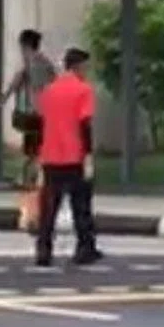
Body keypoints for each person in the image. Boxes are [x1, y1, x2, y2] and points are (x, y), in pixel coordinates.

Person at [34, 47, 103, 267]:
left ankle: (44, 249)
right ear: (79, 66)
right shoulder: (83, 90)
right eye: (86, 67)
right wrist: (88, 154)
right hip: (74, 155)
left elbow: (42, 124)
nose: (87, 71)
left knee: (49, 207)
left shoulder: (49, 91)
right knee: (81, 205)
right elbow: (85, 124)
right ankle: (85, 248)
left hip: (51, 155)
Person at [0, 29, 57, 170]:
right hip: (39, 113)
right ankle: (31, 177)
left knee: (35, 149)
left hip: (36, 113)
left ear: (25, 46)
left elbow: (37, 90)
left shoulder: (36, 65)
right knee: (34, 148)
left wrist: (41, 112)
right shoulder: (39, 63)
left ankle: (33, 178)